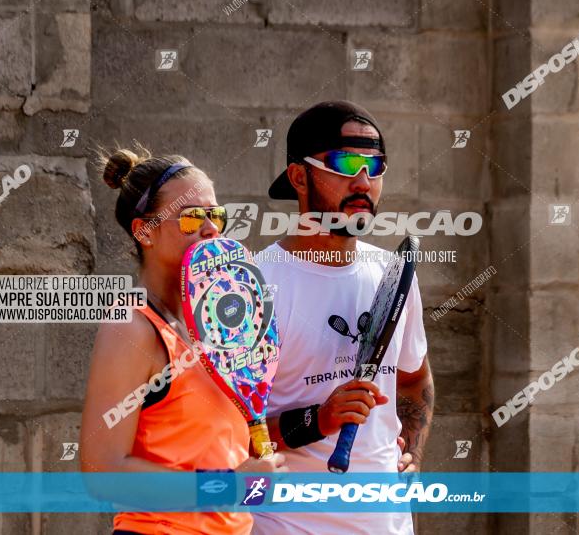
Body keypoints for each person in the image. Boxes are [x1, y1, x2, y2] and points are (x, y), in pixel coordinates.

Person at [80, 146, 286, 535]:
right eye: (192, 217)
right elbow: (103, 472)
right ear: (144, 231)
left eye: (216, 215)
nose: (210, 228)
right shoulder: (131, 327)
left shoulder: (219, 326)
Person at [252, 101, 435, 534]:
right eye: (345, 163)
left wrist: (414, 453)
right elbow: (224, 431)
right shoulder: (255, 285)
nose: (363, 181)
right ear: (299, 176)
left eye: (375, 166)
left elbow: (414, 380)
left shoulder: (395, 275)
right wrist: (318, 420)